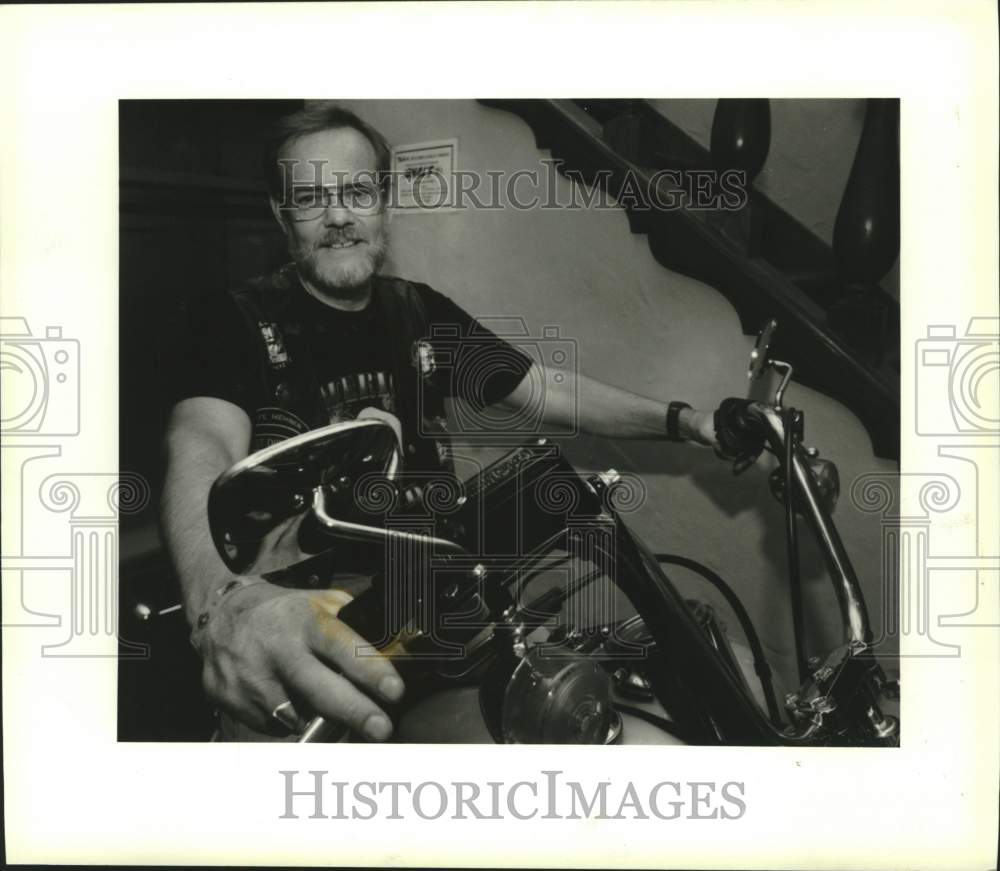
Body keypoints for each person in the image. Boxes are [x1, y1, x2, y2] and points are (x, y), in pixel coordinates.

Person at [161, 103, 724, 742]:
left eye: (356, 191)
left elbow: (550, 390)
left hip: (444, 619)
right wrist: (220, 607)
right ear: (280, 214)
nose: (339, 216)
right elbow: (199, 444)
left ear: (386, 203)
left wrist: (685, 420)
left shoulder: (418, 313)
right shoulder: (233, 322)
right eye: (312, 197)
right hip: (310, 652)